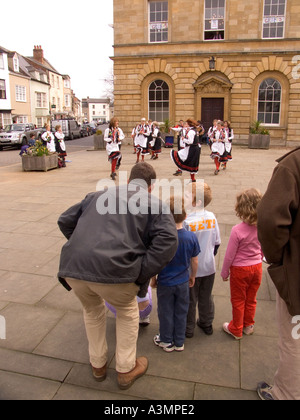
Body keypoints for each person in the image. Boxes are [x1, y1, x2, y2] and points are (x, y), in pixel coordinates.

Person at [57, 162, 178, 390]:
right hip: (117, 273)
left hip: (74, 269)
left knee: (92, 311)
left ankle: (98, 365)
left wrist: (83, 248)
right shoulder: (154, 204)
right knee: (127, 312)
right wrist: (141, 271)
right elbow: (169, 241)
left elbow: (64, 220)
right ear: (151, 187)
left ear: (129, 181)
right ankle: (125, 369)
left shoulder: (96, 196)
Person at [256, 148, 300, 400]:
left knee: (295, 337)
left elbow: (270, 220)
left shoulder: (293, 165)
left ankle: (286, 393)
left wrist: (279, 261)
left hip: (297, 274)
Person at [152, 196, 200, 352]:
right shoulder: (191, 237)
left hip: (165, 282)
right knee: (181, 310)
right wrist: (193, 276)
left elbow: (155, 262)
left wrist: (153, 278)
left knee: (165, 311)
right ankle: (179, 341)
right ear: (185, 216)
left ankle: (166, 340)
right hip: (183, 281)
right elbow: (195, 261)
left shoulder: (161, 238)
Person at [221, 188, 263, 340]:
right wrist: (261, 257)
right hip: (257, 267)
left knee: (238, 300)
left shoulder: (237, 230)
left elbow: (229, 255)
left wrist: (225, 272)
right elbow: (264, 246)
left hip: (240, 270)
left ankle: (236, 328)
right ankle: (248, 325)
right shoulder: (262, 226)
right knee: (251, 298)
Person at [184, 182, 221, 337]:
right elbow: (217, 242)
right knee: (206, 297)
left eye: (187, 195)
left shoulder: (187, 222)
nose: (184, 197)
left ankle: (189, 328)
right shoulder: (212, 217)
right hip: (209, 266)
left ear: (196, 202)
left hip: (192, 269)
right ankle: (206, 323)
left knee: (190, 300)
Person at [171, 118, 201, 183]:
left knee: (190, 162)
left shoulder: (191, 131)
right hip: (194, 148)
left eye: (187, 123)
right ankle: (192, 179)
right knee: (190, 162)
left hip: (192, 148)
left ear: (189, 124)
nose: (186, 125)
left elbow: (190, 141)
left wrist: (183, 139)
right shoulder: (194, 130)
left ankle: (192, 179)